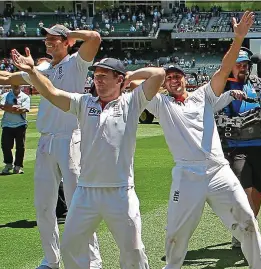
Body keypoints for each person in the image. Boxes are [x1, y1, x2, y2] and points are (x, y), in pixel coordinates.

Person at [12, 50, 165, 268]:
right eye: (96, 76)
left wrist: (131, 76)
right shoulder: (85, 103)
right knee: (70, 247)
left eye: (104, 76)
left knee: (133, 251)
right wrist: (33, 72)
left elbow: (159, 74)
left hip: (120, 192)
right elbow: (52, 92)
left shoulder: (131, 103)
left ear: (118, 79)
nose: (98, 80)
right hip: (85, 192)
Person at [144, 12, 261, 268]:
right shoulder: (160, 104)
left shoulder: (202, 95)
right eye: (168, 77)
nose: (174, 80)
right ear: (163, 83)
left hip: (218, 171)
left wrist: (238, 39)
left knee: (247, 220)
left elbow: (225, 68)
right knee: (176, 234)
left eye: (178, 76)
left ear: (186, 78)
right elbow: (139, 81)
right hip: (187, 175)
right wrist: (159, 72)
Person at [0, 24, 103, 269]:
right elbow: (7, 78)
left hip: (70, 138)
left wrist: (69, 35)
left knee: (78, 204)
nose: (49, 41)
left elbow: (95, 38)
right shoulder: (42, 68)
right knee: (44, 206)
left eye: (54, 38)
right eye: (46, 37)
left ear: (67, 41)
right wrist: (29, 69)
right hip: (46, 141)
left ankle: (92, 261)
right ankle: (52, 259)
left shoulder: (77, 63)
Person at [214, 44, 261, 250]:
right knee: (243, 189)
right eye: (238, 65)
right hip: (235, 146)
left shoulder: (259, 84)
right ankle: (250, 234)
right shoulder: (221, 87)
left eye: (246, 65)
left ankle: (246, 228)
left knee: (258, 189)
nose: (243, 68)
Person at [0, 84, 30, 174]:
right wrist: (15, 108)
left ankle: (18, 166)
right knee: (5, 146)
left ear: (21, 86)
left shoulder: (25, 97)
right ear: (12, 86)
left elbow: (24, 110)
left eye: (18, 84)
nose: (16, 86)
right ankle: (9, 164)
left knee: (20, 147)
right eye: (14, 84)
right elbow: (2, 106)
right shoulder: (6, 95)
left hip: (21, 124)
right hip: (7, 124)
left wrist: (9, 107)